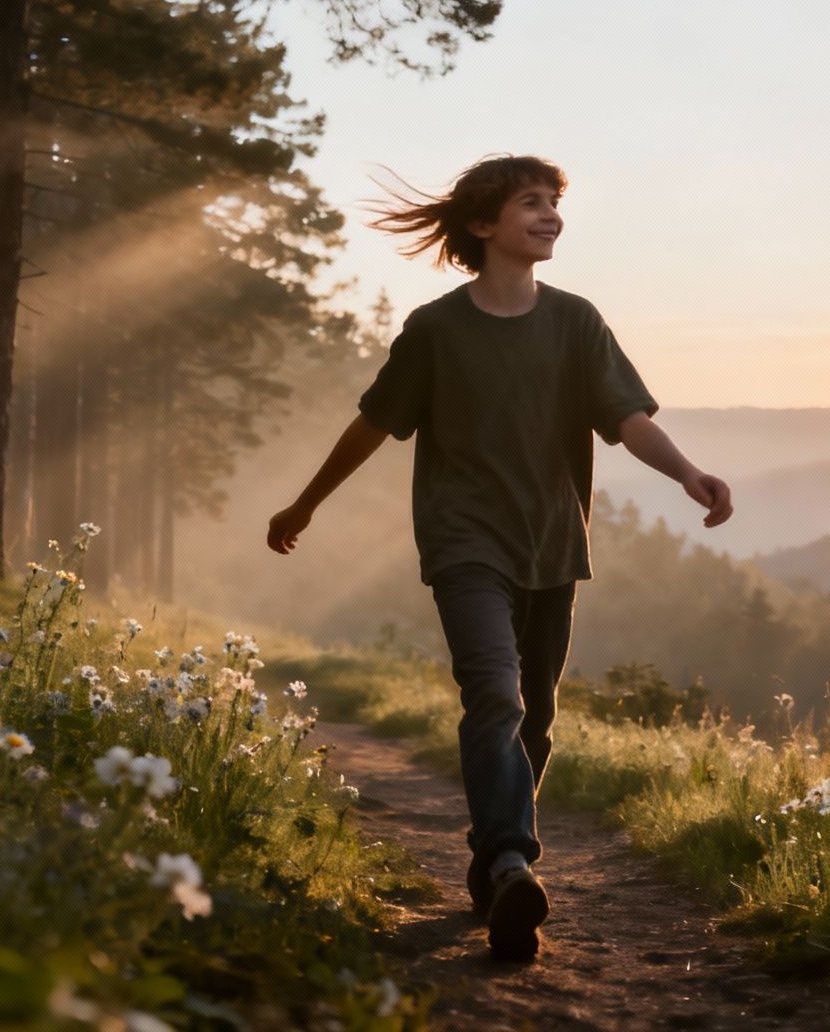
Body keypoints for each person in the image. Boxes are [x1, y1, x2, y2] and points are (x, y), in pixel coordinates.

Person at [265, 154, 732, 961]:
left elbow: (626, 419)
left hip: (552, 541)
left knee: (536, 718)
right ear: (483, 225)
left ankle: (493, 861)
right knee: (495, 692)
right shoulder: (437, 330)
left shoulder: (577, 322)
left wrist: (689, 472)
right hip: (463, 540)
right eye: (531, 203)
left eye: (555, 202)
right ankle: (514, 858)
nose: (550, 214)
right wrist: (306, 501)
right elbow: (374, 424)